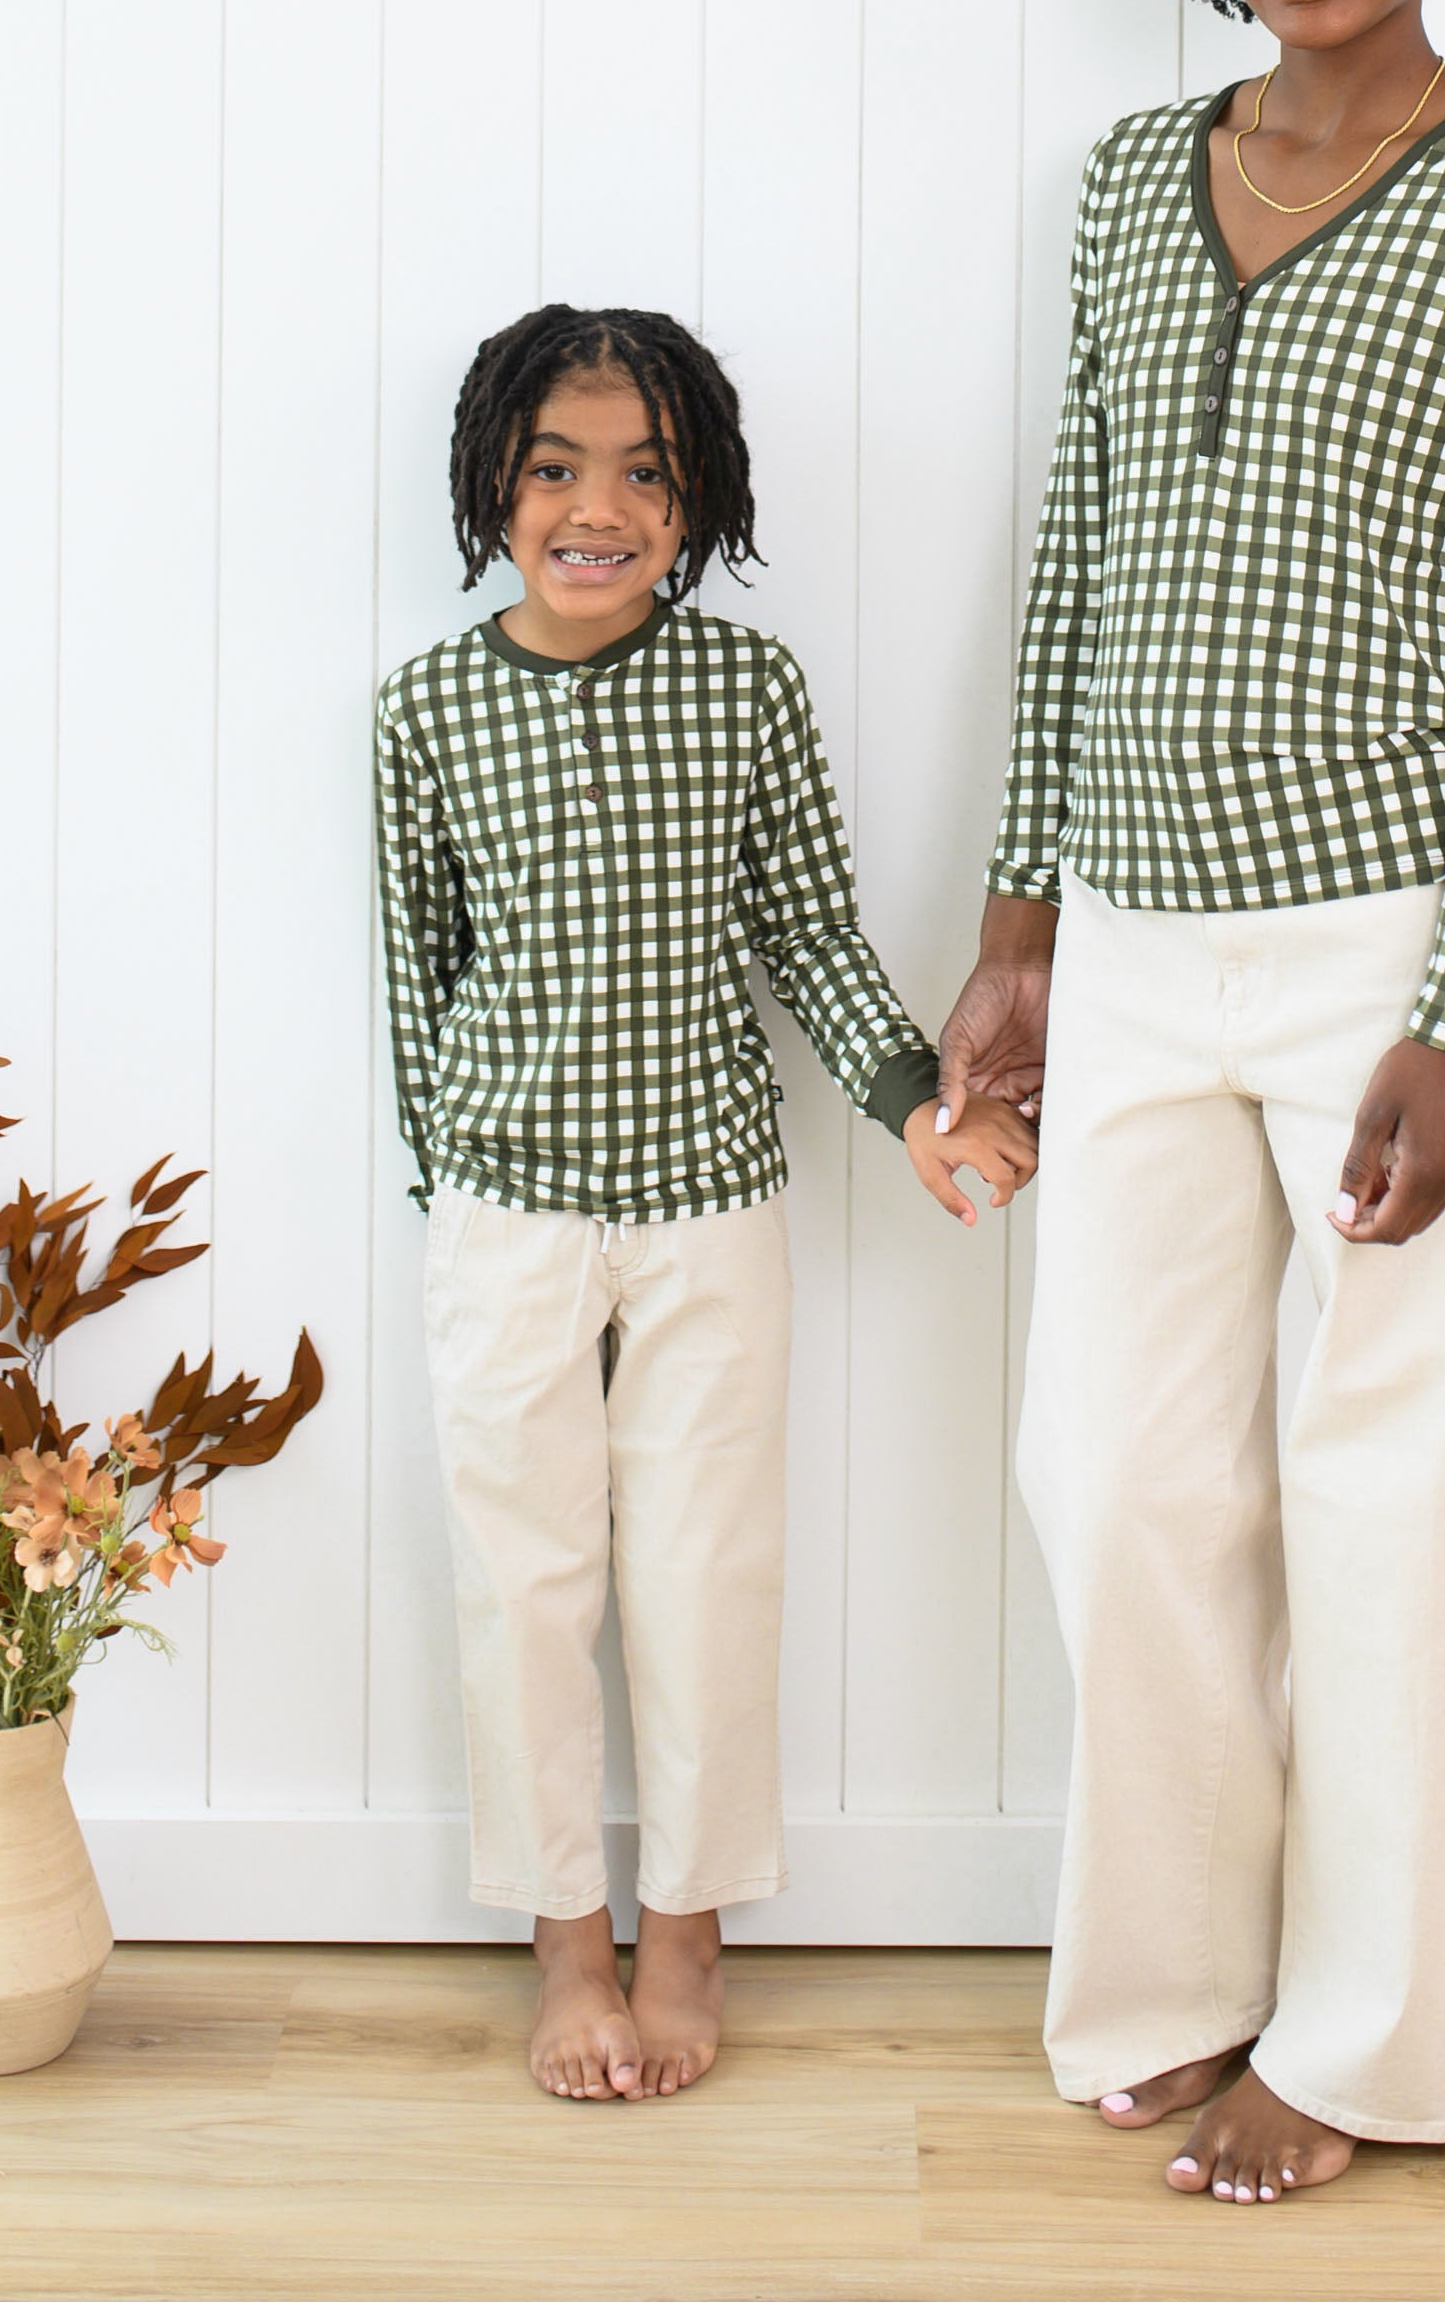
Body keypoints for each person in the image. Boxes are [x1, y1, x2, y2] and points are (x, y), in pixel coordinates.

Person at [938, 0, 1445, 2203]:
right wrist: (1016, 923)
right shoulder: (1138, 176)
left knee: (1399, 1512)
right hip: (1128, 937)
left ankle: (1372, 2039)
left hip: (1390, 954)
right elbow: (1079, 554)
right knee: (1118, 1479)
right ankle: (1171, 1978)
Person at [378, 304, 1037, 2103]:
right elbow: (416, 977)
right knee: (522, 1584)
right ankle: (564, 1947)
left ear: (698, 503)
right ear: (494, 488)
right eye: (557, 468)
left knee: (702, 1571)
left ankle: (687, 1930)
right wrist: (459, 1192)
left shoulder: (743, 690)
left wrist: (917, 1105)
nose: (601, 508)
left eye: (647, 476)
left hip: (710, 1211)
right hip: (507, 1215)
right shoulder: (428, 710)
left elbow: (812, 932)